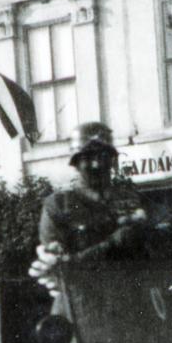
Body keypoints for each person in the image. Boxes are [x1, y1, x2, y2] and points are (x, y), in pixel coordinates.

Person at [30, 121, 148, 298]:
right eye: (88, 157)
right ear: (76, 163)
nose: (96, 164)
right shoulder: (58, 205)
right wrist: (112, 244)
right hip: (83, 303)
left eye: (103, 156)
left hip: (132, 300)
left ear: (112, 160)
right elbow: (58, 268)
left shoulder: (130, 199)